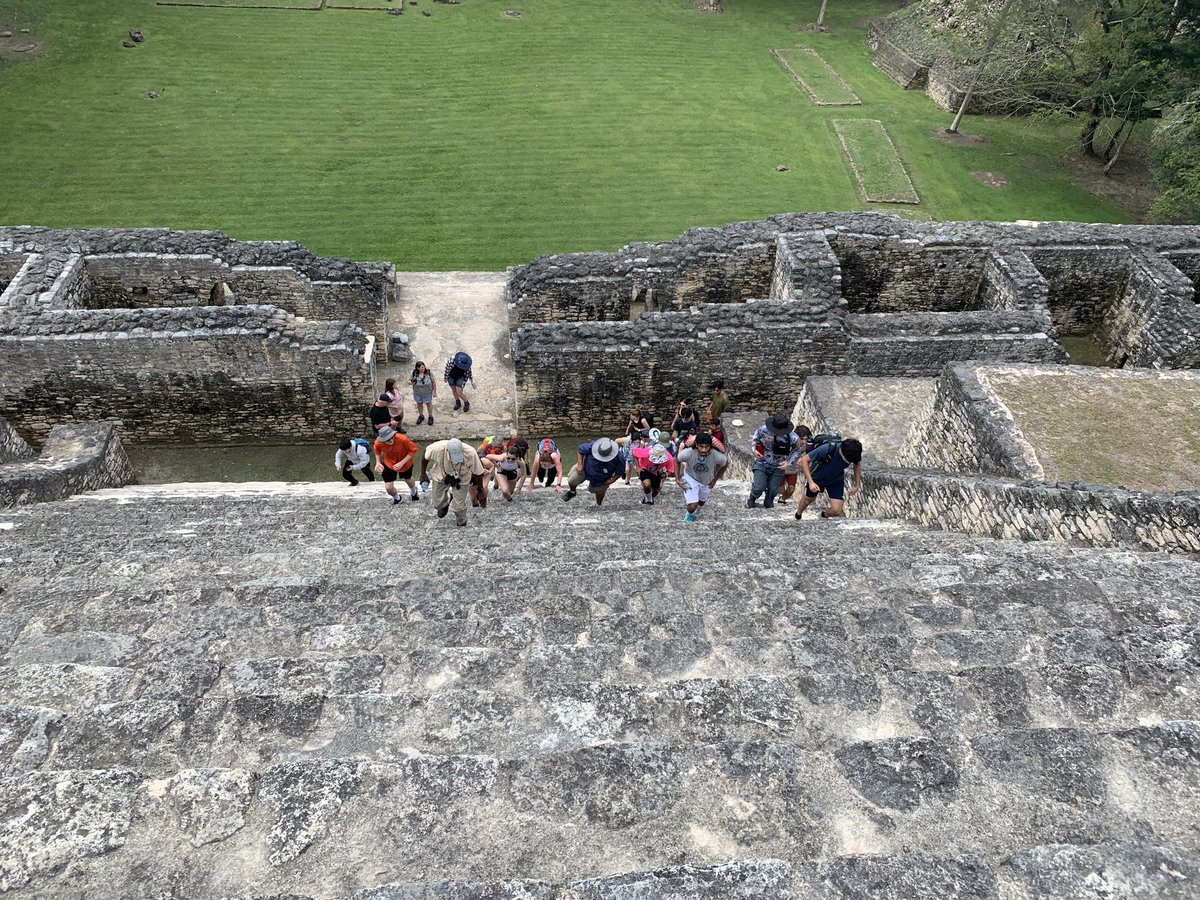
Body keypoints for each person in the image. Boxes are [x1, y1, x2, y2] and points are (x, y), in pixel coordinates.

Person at [421, 437, 485, 526]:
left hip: (462, 475)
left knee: (458, 507)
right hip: (442, 473)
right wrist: (423, 474)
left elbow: (478, 472)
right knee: (437, 504)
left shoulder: (471, 452)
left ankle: (462, 522)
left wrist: (480, 490)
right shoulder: (437, 448)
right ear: (448, 451)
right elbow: (425, 455)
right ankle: (447, 499)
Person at [795, 438, 864, 520]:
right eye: (848, 460)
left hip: (836, 479)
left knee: (836, 510)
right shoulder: (825, 449)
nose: (849, 462)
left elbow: (857, 465)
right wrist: (811, 482)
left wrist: (857, 485)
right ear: (841, 451)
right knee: (808, 500)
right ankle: (798, 513)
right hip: (817, 478)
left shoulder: (854, 454)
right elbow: (804, 460)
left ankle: (823, 515)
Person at [747, 413, 805, 509]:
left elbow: (797, 450)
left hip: (779, 466)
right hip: (762, 462)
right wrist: (754, 450)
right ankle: (752, 498)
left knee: (774, 490)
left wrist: (789, 463)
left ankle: (768, 501)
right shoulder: (763, 430)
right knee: (759, 487)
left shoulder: (793, 438)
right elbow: (755, 438)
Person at [676, 432, 727, 522]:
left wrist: (715, 479)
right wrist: (677, 479)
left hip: (706, 480)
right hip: (690, 478)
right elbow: (676, 460)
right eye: (701, 446)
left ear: (710, 446)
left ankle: (697, 511)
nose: (703, 450)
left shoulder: (716, 455)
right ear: (696, 445)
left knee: (702, 501)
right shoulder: (688, 453)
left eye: (706, 447)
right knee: (693, 505)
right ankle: (689, 515)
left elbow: (725, 464)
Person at [563, 437, 624, 506]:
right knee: (572, 479)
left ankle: (598, 504)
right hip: (586, 468)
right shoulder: (593, 446)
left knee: (598, 491)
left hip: (602, 478)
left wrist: (612, 480)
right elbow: (580, 449)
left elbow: (620, 471)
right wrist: (580, 464)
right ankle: (572, 492)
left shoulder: (619, 457)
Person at [373, 425, 420, 505]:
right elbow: (376, 449)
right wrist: (378, 462)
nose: (391, 440)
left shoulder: (403, 439)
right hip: (389, 463)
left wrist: (401, 463)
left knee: (407, 479)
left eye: (392, 437)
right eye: (387, 439)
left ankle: (413, 491)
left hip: (405, 463)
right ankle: (397, 498)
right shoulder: (378, 443)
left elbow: (414, 450)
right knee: (388, 487)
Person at [778, 425, 814, 504]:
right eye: (802, 439)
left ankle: (782, 499)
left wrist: (801, 459)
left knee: (791, 489)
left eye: (806, 439)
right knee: (781, 490)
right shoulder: (788, 442)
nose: (804, 441)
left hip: (792, 469)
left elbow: (807, 455)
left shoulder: (806, 446)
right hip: (781, 468)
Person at [410, 361, 437, 425]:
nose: (423, 368)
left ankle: (430, 416)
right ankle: (421, 416)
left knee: (429, 404)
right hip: (417, 393)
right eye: (422, 367)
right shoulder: (414, 373)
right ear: (418, 368)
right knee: (419, 404)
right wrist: (409, 382)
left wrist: (434, 392)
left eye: (424, 367)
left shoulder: (429, 373)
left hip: (427, 392)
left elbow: (433, 382)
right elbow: (410, 380)